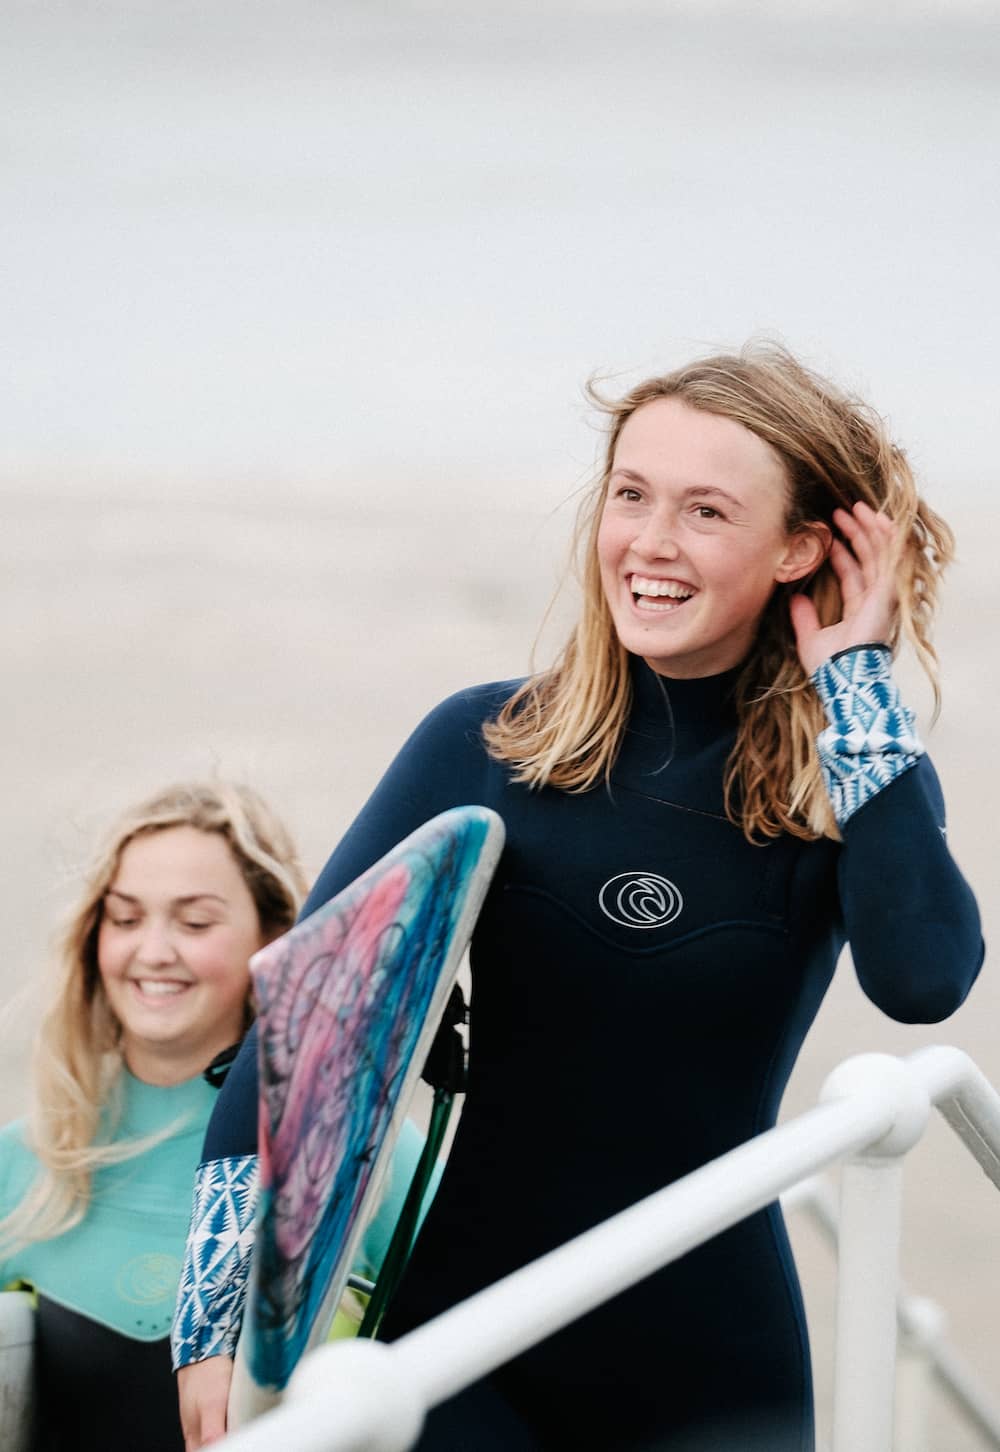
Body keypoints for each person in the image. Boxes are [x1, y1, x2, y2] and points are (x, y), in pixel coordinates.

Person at [173, 344, 984, 1451]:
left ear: (799, 547)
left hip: (713, 1367)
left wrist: (857, 683)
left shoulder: (839, 785)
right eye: (631, 496)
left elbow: (924, 980)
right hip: (469, 1344)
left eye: (705, 511)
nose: (649, 543)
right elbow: (306, 1031)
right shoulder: (485, 744)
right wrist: (213, 1321)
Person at [0, 781, 430, 1452]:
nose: (154, 950)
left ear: (273, 939)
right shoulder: (30, 1158)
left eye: (195, 922)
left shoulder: (351, 1146)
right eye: (125, 918)